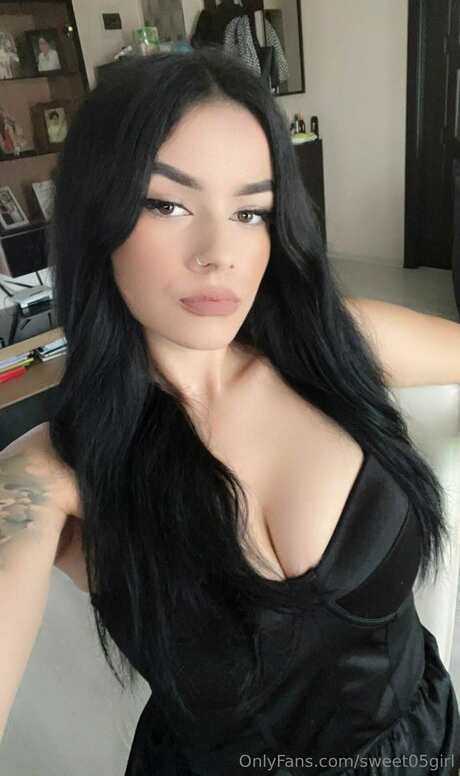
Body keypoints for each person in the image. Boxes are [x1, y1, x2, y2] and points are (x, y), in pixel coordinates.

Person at [1, 49, 460, 775]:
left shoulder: (335, 343)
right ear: (97, 216)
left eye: (250, 212)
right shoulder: (50, 475)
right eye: (168, 204)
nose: (221, 253)